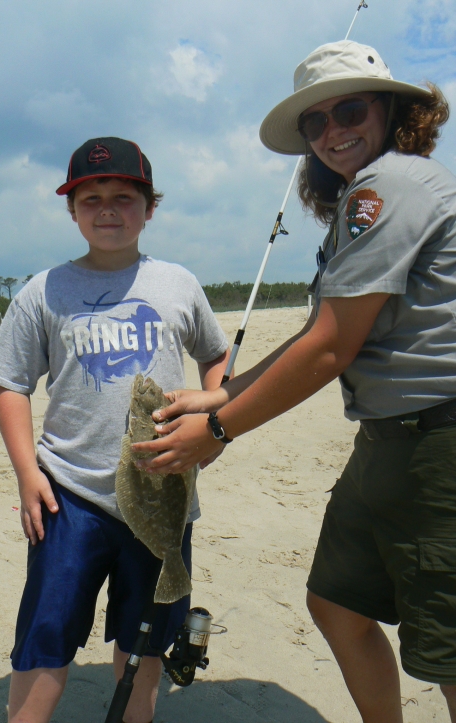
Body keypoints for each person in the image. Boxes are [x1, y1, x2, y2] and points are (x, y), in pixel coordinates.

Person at [130, 41, 456, 722]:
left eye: (351, 109)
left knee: (448, 647)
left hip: (438, 443)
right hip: (385, 442)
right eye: (316, 121)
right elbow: (324, 334)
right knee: (337, 601)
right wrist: (222, 390)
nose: (334, 130)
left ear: (391, 110)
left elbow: (331, 347)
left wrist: (217, 428)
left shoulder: (386, 187)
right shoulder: (367, 196)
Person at [0, 136, 230, 723]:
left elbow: (217, 360)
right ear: (72, 211)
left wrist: (215, 424)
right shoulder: (44, 291)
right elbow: (10, 386)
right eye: (91, 199)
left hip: (162, 490)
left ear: (150, 207)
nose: (109, 210)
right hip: (68, 495)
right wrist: (25, 475)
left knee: (143, 639)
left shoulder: (178, 285)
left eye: (124, 196)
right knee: (46, 633)